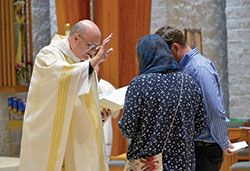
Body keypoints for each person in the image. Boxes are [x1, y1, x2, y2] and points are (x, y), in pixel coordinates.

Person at [20, 19, 113, 171]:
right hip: (49, 139)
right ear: (76, 38)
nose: (93, 52)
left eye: (96, 47)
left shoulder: (85, 63)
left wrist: (98, 114)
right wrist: (95, 61)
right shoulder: (48, 56)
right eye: (91, 46)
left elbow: (80, 102)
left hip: (76, 142)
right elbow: (63, 78)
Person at [118, 34, 207, 171]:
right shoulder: (189, 82)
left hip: (148, 164)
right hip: (183, 163)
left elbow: (128, 128)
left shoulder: (140, 84)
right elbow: (201, 126)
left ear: (144, 57)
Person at [155, 26, 236, 171]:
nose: (163, 59)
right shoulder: (185, 68)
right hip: (192, 149)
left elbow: (213, 109)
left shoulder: (199, 68)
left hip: (203, 149)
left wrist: (224, 142)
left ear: (174, 47)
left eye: (164, 53)